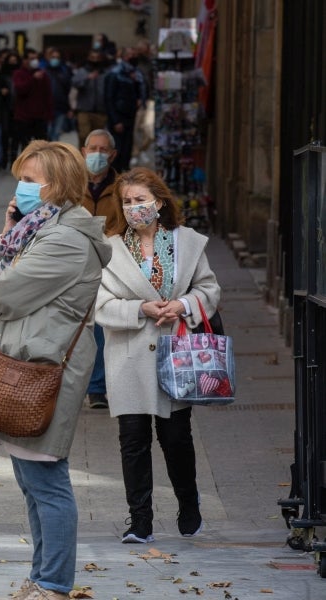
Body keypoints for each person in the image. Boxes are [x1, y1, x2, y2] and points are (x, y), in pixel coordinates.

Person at [0, 140, 111, 600]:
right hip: (27, 363)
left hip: (43, 370)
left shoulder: (64, 239)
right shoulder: (36, 230)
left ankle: (53, 582)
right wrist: (6, 231)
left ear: (57, 186)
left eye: (30, 180)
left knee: (47, 481)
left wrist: (0, 263)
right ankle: (42, 577)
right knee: (33, 482)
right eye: (21, 178)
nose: (20, 188)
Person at [94, 167, 220, 544]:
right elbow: (98, 302)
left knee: (176, 438)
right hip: (128, 355)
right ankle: (140, 520)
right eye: (127, 202)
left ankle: (189, 504)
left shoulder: (188, 243)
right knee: (133, 439)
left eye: (140, 200)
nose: (134, 208)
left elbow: (209, 289)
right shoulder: (110, 248)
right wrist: (139, 310)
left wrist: (182, 304)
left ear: (159, 202)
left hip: (175, 353)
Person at [80, 128, 122, 409]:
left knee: (100, 325)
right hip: (76, 265)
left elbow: (124, 224)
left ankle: (97, 388)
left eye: (103, 149)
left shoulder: (121, 189)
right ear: (83, 152)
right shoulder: (71, 186)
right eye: (92, 148)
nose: (97, 154)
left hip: (110, 265)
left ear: (113, 154)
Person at [104, 47, 146, 173]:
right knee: (117, 148)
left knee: (127, 147)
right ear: (123, 57)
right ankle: (114, 174)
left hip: (130, 114)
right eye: (130, 54)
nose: (133, 57)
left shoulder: (136, 74)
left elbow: (143, 89)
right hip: (118, 116)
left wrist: (139, 98)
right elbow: (109, 98)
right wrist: (115, 120)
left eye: (135, 54)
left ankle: (124, 172)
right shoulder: (115, 74)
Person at [11, 49, 53, 157]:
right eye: (31, 59)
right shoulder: (19, 74)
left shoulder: (43, 75)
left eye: (36, 58)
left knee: (43, 147)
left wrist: (49, 114)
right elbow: (20, 90)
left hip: (40, 117)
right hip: (24, 117)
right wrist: (33, 79)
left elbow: (48, 95)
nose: (35, 61)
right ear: (25, 61)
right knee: (26, 146)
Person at [72, 50, 109, 147]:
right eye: (93, 58)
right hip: (84, 110)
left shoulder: (105, 73)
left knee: (96, 139)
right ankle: (81, 158)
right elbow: (75, 83)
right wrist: (87, 78)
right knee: (84, 135)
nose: (95, 60)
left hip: (100, 111)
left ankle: (92, 159)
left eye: (97, 58)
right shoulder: (82, 71)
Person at [43, 47, 73, 142]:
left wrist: (69, 108)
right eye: (53, 57)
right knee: (46, 134)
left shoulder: (65, 72)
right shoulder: (43, 72)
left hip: (60, 107)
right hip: (45, 108)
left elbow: (68, 90)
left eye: (57, 57)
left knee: (56, 134)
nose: (55, 59)